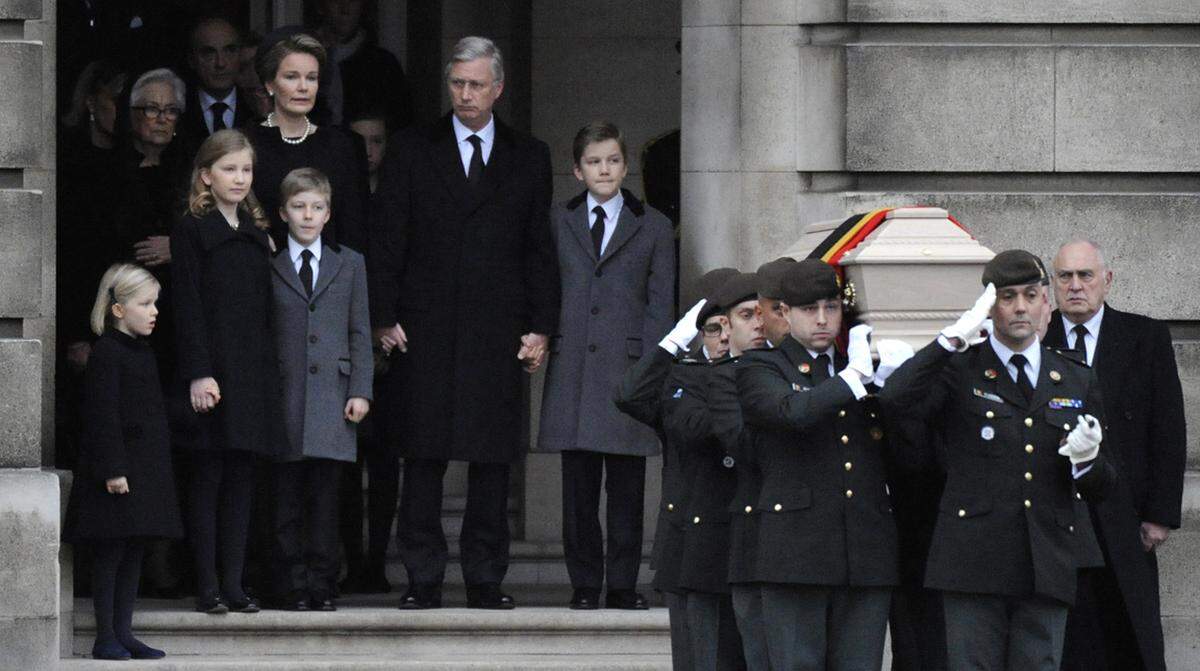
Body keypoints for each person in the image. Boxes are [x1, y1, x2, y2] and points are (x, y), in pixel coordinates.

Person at [369, 36, 559, 610]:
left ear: (498, 88)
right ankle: (422, 578)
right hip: (422, 328)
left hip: (498, 330)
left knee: (492, 461)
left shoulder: (530, 154)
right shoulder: (411, 148)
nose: (465, 94)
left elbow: (538, 249)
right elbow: (387, 240)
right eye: (457, 83)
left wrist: (541, 325)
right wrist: (383, 316)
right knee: (422, 457)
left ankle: (484, 579)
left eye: (476, 84)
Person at [879, 250, 1119, 670]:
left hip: (1046, 559)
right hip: (974, 561)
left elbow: (1103, 484)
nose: (1021, 307)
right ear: (990, 307)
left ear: (1047, 301)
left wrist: (1086, 460)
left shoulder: (1075, 375)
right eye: (1008, 297)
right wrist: (948, 340)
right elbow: (895, 399)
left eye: (1030, 295)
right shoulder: (961, 369)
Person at [538, 121, 675, 611]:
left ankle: (621, 583)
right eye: (594, 162)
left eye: (613, 160)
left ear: (625, 166)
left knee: (626, 489)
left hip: (628, 368)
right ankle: (583, 584)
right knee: (578, 491)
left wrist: (653, 369)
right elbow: (546, 287)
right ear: (577, 170)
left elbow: (661, 303)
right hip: (574, 366)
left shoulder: (654, 225)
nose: (604, 169)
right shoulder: (558, 221)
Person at [735, 259, 895, 670]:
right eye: (809, 309)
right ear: (785, 313)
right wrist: (854, 378)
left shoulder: (856, 367)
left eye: (832, 307)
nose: (823, 320)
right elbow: (794, 412)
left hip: (864, 554)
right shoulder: (762, 366)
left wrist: (896, 382)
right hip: (796, 554)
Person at [1047, 239, 1185, 671]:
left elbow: (1167, 428)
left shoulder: (1144, 336)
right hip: (1059, 515)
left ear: (1107, 280)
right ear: (1053, 285)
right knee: (1069, 640)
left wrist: (1160, 514)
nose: (1075, 286)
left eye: (1085, 275)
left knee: (1130, 638)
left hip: (1127, 513)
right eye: (1065, 276)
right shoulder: (1037, 337)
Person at [171, 129, 277, 615]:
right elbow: (187, 305)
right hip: (213, 374)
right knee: (208, 479)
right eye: (229, 169)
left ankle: (235, 583)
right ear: (206, 175)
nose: (239, 178)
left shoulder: (258, 233)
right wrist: (199, 372)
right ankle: (208, 584)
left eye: (246, 170)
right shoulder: (192, 229)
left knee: (241, 482)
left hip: (252, 375)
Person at [614, 269, 733, 671]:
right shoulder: (679, 376)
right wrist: (672, 343)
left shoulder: (758, 373)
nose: (723, 338)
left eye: (731, 325)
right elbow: (629, 395)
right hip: (690, 541)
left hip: (745, 538)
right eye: (713, 328)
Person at [63, 263, 182, 661]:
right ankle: (106, 635)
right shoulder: (108, 353)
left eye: (155, 304)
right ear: (118, 309)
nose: (154, 311)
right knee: (111, 554)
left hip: (141, 469)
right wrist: (114, 469)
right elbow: (103, 415)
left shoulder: (141, 351)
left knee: (134, 551)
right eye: (145, 304)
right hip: (117, 472)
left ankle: (124, 632)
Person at [268, 168, 373, 611]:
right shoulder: (267, 262)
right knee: (286, 501)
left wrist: (361, 390)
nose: (307, 216)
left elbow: (359, 331)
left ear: (328, 213)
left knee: (326, 502)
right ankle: (292, 585)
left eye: (316, 207)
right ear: (282, 212)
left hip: (334, 397)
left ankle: (323, 584)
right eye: (298, 207)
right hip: (285, 397)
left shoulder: (350, 263)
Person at [679, 271, 766, 671]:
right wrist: (674, 344)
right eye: (747, 315)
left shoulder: (777, 375)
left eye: (762, 313)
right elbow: (632, 395)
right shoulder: (695, 376)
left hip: (766, 545)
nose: (759, 324)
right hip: (713, 539)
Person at [56, 59, 128, 471]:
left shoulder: (130, 163)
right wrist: (76, 334)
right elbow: (70, 255)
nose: (120, 111)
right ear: (89, 102)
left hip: (125, 312)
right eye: (114, 100)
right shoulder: (71, 163)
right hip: (80, 309)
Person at [338, 108, 395, 595]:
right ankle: (350, 560)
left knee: (384, 462)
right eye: (359, 142)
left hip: (393, 352)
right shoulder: (334, 202)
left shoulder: (397, 196)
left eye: (376, 141)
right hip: (345, 347)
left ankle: (376, 559)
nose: (368, 152)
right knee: (345, 465)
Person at [247, 30, 370, 252]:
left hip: (330, 280)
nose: (303, 87)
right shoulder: (245, 145)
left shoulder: (341, 146)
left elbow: (354, 231)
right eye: (291, 77)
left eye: (311, 78)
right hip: (261, 277)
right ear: (269, 84)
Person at [312, 0, 414, 131]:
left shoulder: (383, 66)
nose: (345, 9)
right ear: (321, 6)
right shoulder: (302, 62)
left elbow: (402, 128)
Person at [181, 17, 256, 145]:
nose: (220, 63)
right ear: (192, 60)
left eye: (229, 50)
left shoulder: (256, 106)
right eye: (209, 53)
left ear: (240, 55)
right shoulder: (177, 109)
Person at [754, 256, 796, 347]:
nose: (791, 320)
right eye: (779, 310)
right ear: (759, 314)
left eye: (800, 308)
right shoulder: (752, 361)